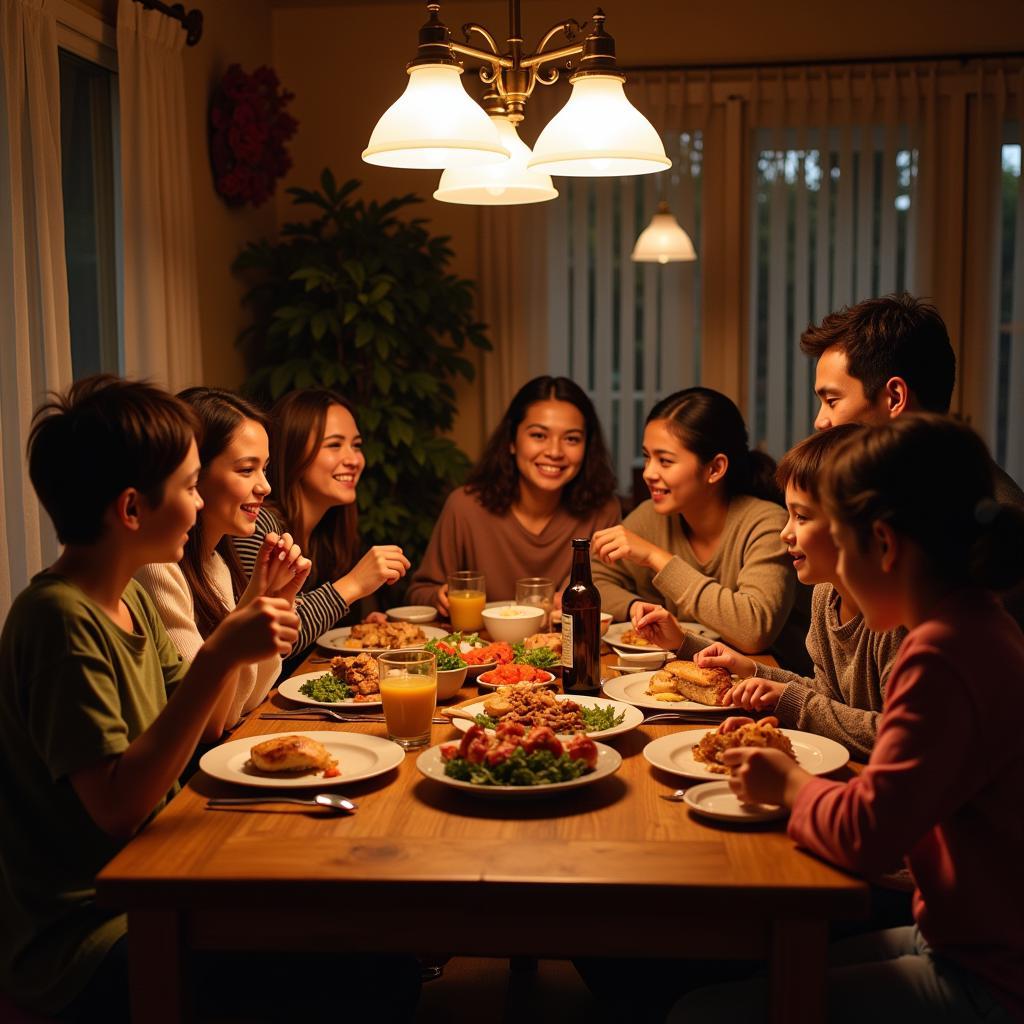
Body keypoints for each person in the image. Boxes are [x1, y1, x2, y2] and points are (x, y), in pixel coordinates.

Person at [670, 415, 1024, 1023]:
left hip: (992, 977)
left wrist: (786, 782)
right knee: (772, 962)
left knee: (699, 1014)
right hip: (959, 935)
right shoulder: (975, 625)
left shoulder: (941, 655)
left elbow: (868, 834)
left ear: (882, 545)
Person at [0, 376, 301, 1019]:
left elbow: (190, 733)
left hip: (164, 872)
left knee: (348, 933)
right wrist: (221, 652)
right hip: (92, 931)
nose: (197, 507)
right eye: (191, 487)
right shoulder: (57, 620)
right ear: (133, 510)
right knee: (358, 969)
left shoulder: (131, 594)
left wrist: (248, 625)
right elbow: (118, 808)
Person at [632, 425, 904, 761]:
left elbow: (894, 737)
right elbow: (827, 697)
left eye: (801, 517)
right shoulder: (826, 595)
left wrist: (787, 698)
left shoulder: (898, 620)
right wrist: (746, 669)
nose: (785, 532)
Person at [801, 291, 1024, 627]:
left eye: (832, 400)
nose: (820, 421)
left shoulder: (974, 522)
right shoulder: (904, 499)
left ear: (894, 397)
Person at [591, 387, 810, 671]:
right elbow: (596, 579)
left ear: (715, 468)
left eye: (665, 461)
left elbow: (753, 631)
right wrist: (633, 607)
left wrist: (656, 558)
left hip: (766, 687)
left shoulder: (766, 523)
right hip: (687, 669)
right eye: (647, 457)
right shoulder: (652, 516)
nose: (648, 473)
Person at [136, 388, 311, 742]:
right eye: (247, 469)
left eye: (265, 469)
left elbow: (247, 700)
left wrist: (274, 597)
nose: (264, 486)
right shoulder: (156, 567)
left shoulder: (216, 563)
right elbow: (209, 725)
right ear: (193, 472)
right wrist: (253, 604)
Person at [406, 376, 620, 610]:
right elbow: (419, 592)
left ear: (587, 447)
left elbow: (612, 594)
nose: (555, 451)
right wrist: (439, 597)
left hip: (565, 644)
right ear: (512, 441)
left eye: (571, 439)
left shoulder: (603, 511)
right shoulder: (465, 506)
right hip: (479, 644)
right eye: (539, 435)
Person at [234, 388, 409, 667]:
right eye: (335, 445)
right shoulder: (258, 526)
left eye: (356, 445)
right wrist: (352, 585)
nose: (353, 459)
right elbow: (271, 641)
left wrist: (359, 631)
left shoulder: (330, 531)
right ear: (294, 452)